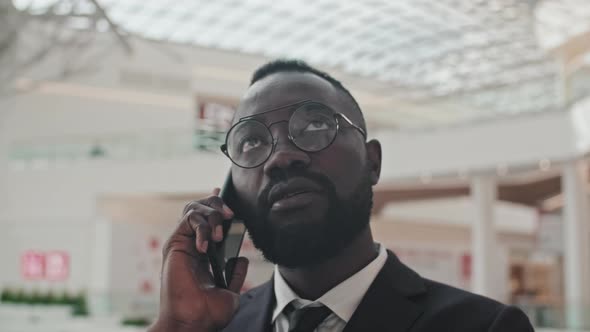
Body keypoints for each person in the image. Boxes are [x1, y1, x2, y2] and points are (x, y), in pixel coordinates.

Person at [148, 59, 534, 332]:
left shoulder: (484, 327)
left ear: (372, 161)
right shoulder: (215, 325)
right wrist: (177, 327)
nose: (281, 157)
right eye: (251, 141)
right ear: (233, 193)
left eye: (315, 124)